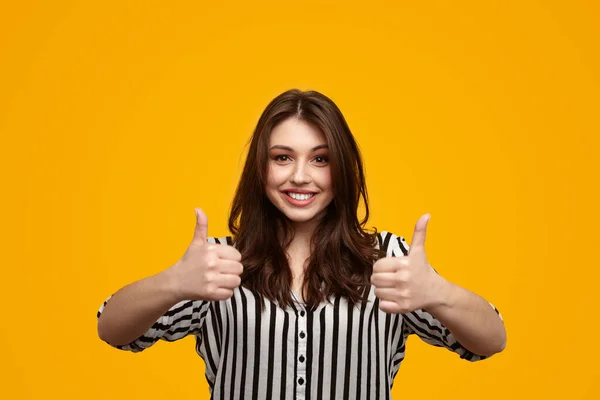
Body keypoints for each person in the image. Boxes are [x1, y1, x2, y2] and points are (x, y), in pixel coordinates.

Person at [96, 89, 506, 399]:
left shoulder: (390, 261)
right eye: (282, 157)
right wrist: (173, 282)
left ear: (341, 168)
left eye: (320, 159)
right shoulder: (216, 264)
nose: (300, 177)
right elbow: (113, 330)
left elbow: (490, 341)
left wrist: (436, 292)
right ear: (261, 166)